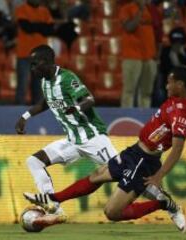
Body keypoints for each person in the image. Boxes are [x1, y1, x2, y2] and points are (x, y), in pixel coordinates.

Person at [25, 6, 186, 232]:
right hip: (135, 152)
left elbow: (177, 149)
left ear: (180, 85)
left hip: (145, 160)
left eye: (170, 82)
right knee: (97, 175)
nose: (166, 85)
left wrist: (158, 177)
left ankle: (163, 203)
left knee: (112, 212)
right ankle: (51, 198)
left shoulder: (182, 114)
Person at [15, 45, 118, 216]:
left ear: (45, 62)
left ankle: (163, 202)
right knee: (34, 161)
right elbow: (45, 103)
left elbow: (89, 99)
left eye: (34, 64)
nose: (32, 69)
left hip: (92, 137)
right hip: (72, 140)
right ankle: (53, 206)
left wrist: (76, 108)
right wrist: (25, 116)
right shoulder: (44, 82)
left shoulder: (67, 78)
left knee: (125, 173)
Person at [119, 0, 158, 108]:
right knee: (129, 91)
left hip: (149, 56)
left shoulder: (151, 9)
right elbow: (129, 27)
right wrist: (140, 10)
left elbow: (158, 31)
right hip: (132, 56)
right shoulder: (126, 9)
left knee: (146, 92)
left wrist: (156, 53)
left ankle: (144, 118)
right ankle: (126, 117)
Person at [15, 0, 54, 104]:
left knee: (39, 88)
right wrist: (41, 26)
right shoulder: (21, 9)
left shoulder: (45, 11)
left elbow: (50, 30)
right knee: (22, 86)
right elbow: (26, 27)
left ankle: (37, 115)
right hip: (24, 54)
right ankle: (18, 113)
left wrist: (35, 25)